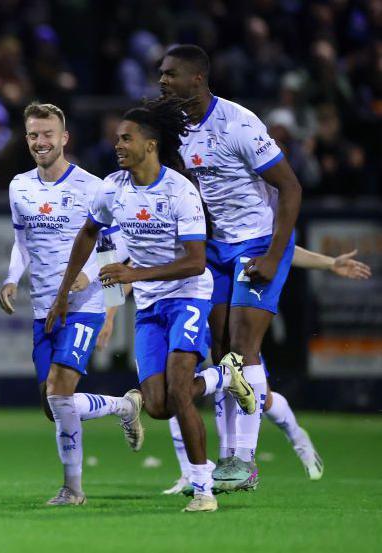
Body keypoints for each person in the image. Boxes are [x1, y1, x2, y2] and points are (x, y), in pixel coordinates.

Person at [52, 96, 253, 513]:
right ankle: (223, 376)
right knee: (159, 405)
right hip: (149, 305)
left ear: (151, 145)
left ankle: (202, 490)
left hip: (189, 294)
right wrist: (63, 291)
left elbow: (196, 261)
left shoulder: (180, 191)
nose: (118, 145)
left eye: (127, 139)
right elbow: (89, 233)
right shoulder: (113, 188)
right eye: (116, 139)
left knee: (180, 391)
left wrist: (133, 275)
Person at [160, 44, 304, 491]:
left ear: (197, 79)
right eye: (160, 74)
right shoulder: (179, 128)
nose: (163, 81)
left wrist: (275, 255)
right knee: (221, 353)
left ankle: (245, 461)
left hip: (258, 242)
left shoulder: (239, 123)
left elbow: (291, 188)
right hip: (217, 247)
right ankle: (225, 459)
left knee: (244, 346)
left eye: (170, 74)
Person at [0, 102, 143, 507]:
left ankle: (73, 489)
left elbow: (119, 248)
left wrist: (104, 298)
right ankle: (123, 406)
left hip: (85, 304)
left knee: (61, 392)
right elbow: (22, 242)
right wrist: (12, 279)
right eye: (33, 135)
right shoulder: (19, 186)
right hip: (44, 307)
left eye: (47, 134)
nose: (40, 142)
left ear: (64, 138)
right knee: (53, 405)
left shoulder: (95, 188)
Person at [159, 246, 372, 494]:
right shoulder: (179, 223)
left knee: (262, 398)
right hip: (186, 313)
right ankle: (191, 471)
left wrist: (329, 262)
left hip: (221, 318)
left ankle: (296, 438)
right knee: (175, 387)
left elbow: (277, 246)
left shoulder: (229, 228)